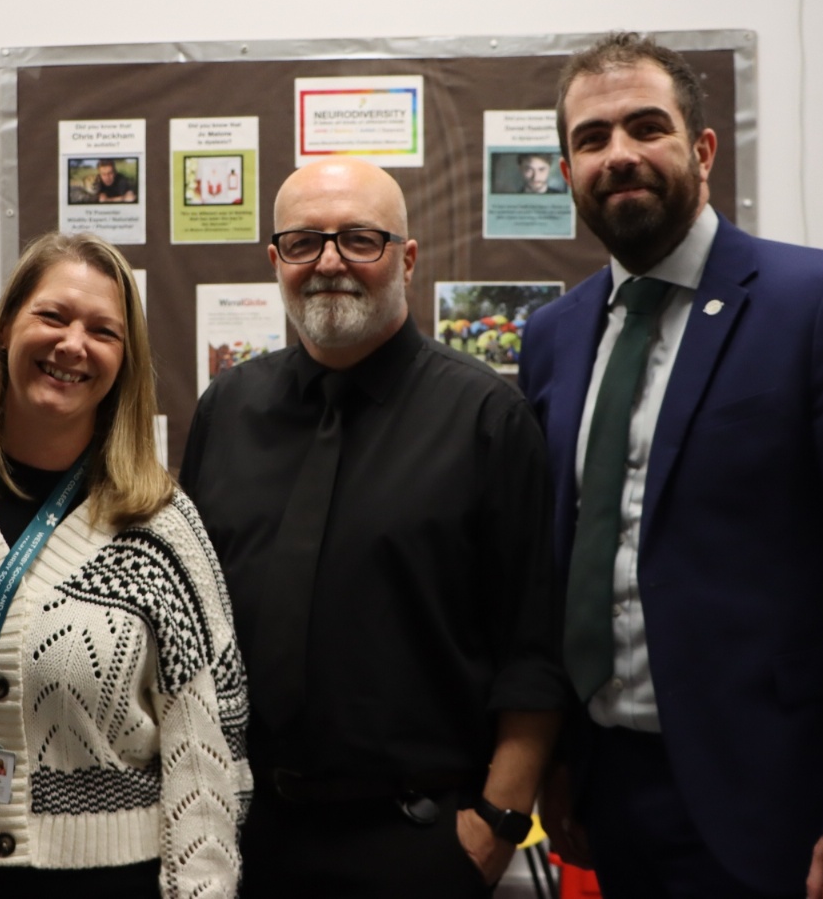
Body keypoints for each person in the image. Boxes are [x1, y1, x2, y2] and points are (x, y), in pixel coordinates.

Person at [520, 33, 823, 899]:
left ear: (703, 149)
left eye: (647, 126)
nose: (619, 154)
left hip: (786, 810)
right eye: (592, 138)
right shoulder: (555, 337)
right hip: (615, 798)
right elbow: (567, 562)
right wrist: (564, 760)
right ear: (568, 172)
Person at [180, 158, 566, 897]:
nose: (329, 263)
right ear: (275, 260)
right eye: (303, 242)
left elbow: (534, 647)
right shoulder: (227, 410)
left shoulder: (487, 419)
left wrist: (498, 822)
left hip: (417, 839)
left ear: (407, 258)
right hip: (244, 837)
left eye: (360, 239)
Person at [0, 232, 249, 899]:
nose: (72, 345)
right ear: (6, 326)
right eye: (53, 316)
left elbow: (210, 746)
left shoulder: (160, 526)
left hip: (110, 880)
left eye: (103, 331)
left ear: (125, 359)